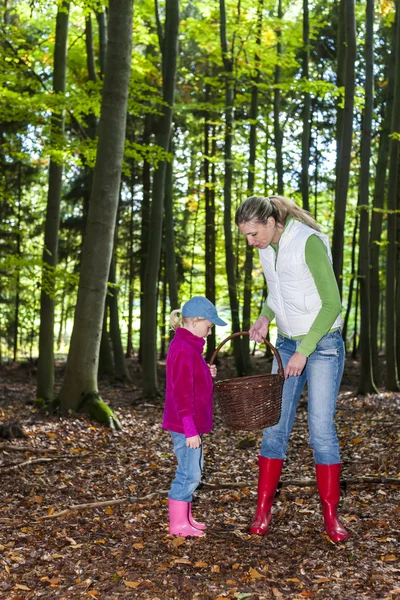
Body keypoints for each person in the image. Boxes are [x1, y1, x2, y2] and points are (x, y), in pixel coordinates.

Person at [235, 195, 349, 543]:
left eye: (254, 234)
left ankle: (331, 516)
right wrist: (265, 317)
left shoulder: (308, 242)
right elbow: (277, 291)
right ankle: (262, 510)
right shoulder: (267, 247)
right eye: (246, 236)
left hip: (322, 346)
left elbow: (332, 303)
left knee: (321, 432)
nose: (251, 242)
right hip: (285, 346)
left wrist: (304, 349)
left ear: (271, 222)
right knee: (274, 428)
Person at [162, 296, 227, 537]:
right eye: (209, 326)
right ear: (195, 321)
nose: (209, 332)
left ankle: (186, 517)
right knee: (189, 472)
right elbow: (180, 392)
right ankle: (177, 524)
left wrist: (205, 372)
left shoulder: (189, 347)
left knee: (193, 469)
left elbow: (193, 382)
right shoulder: (183, 349)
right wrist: (189, 427)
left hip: (189, 424)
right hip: (184, 424)